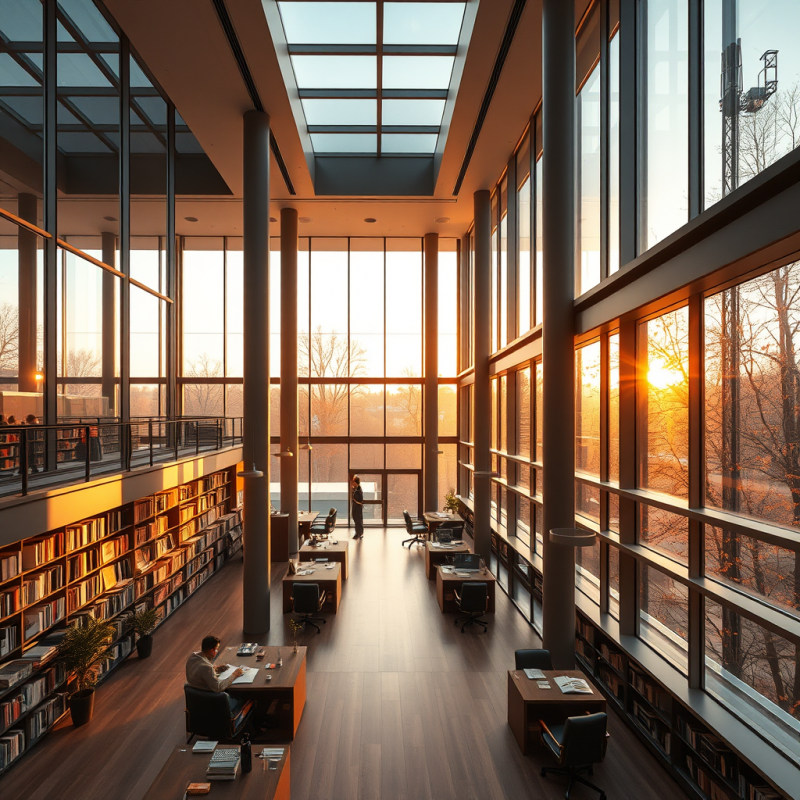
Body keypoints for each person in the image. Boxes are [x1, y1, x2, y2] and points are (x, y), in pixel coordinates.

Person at [186, 636, 251, 722]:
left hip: (198, 702)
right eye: (216, 649)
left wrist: (215, 668)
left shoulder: (192, 657)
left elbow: (199, 671)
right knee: (246, 696)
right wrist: (234, 675)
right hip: (213, 702)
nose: (216, 651)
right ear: (212, 650)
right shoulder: (207, 668)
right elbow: (218, 688)